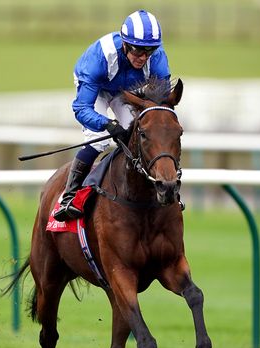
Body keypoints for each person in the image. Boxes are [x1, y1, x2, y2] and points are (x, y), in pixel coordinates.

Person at [52, 9, 171, 221]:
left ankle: (158, 189)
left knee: (139, 133)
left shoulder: (157, 57)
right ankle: (69, 196)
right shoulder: (100, 57)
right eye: (137, 51)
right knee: (98, 142)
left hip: (125, 89)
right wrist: (107, 124)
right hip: (96, 88)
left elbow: (161, 104)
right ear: (125, 44)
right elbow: (81, 108)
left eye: (149, 51)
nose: (143, 57)